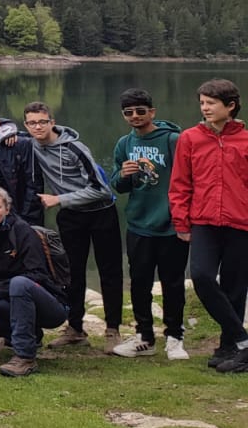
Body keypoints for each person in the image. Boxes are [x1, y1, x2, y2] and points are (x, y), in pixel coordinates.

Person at [22, 100, 124, 349]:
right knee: (70, 273)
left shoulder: (74, 148)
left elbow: (101, 189)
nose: (37, 127)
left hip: (101, 213)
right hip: (71, 217)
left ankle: (113, 330)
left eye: (42, 122)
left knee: (109, 271)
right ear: (26, 126)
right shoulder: (30, 144)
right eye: (32, 123)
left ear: (52, 122)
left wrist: (60, 199)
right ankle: (75, 328)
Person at [170, 79, 248, 373]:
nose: (205, 108)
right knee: (202, 277)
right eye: (202, 103)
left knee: (235, 287)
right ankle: (243, 340)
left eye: (211, 103)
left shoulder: (245, 140)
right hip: (203, 221)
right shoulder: (190, 138)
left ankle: (229, 347)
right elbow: (180, 183)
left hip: (241, 222)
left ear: (230, 106)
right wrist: (181, 221)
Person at [110, 88, 189, 360]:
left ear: (152, 112)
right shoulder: (124, 143)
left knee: (173, 283)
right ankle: (145, 337)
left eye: (140, 111)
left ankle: (175, 337)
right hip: (138, 224)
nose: (135, 116)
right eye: (128, 112)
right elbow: (118, 186)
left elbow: (189, 178)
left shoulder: (173, 140)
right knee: (140, 282)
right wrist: (123, 174)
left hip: (171, 225)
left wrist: (183, 219)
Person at [0, 185, 68, 377]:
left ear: (7, 209)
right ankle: (31, 335)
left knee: (19, 283)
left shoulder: (22, 231)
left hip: (50, 305)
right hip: (13, 300)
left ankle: (25, 357)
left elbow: (37, 273)